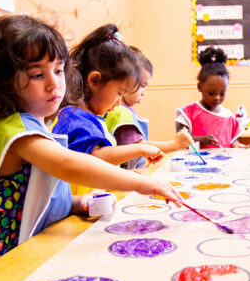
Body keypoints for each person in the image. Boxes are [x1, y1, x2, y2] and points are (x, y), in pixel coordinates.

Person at [0, 15, 182, 281]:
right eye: (38, 74)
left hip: (28, 247)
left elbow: (31, 193)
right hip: (0, 259)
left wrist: (75, 203)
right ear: (3, 82)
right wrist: (141, 183)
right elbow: (68, 164)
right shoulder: (12, 130)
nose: (54, 84)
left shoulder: (37, 123)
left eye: (59, 70)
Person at [52, 24, 166, 195]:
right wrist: (140, 149)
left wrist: (122, 175)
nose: (119, 103)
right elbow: (96, 159)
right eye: (119, 94)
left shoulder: (92, 117)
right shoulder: (73, 118)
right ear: (95, 81)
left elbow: (100, 170)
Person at [105, 47, 193, 169]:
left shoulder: (124, 111)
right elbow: (141, 147)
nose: (143, 93)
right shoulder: (120, 112)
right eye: (141, 86)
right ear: (125, 82)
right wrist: (175, 144)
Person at [175, 47, 247, 149]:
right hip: (195, 163)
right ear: (200, 87)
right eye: (211, 93)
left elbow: (231, 140)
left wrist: (236, 144)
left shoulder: (228, 115)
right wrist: (201, 139)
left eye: (222, 93)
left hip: (223, 163)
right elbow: (180, 139)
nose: (217, 97)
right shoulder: (189, 113)